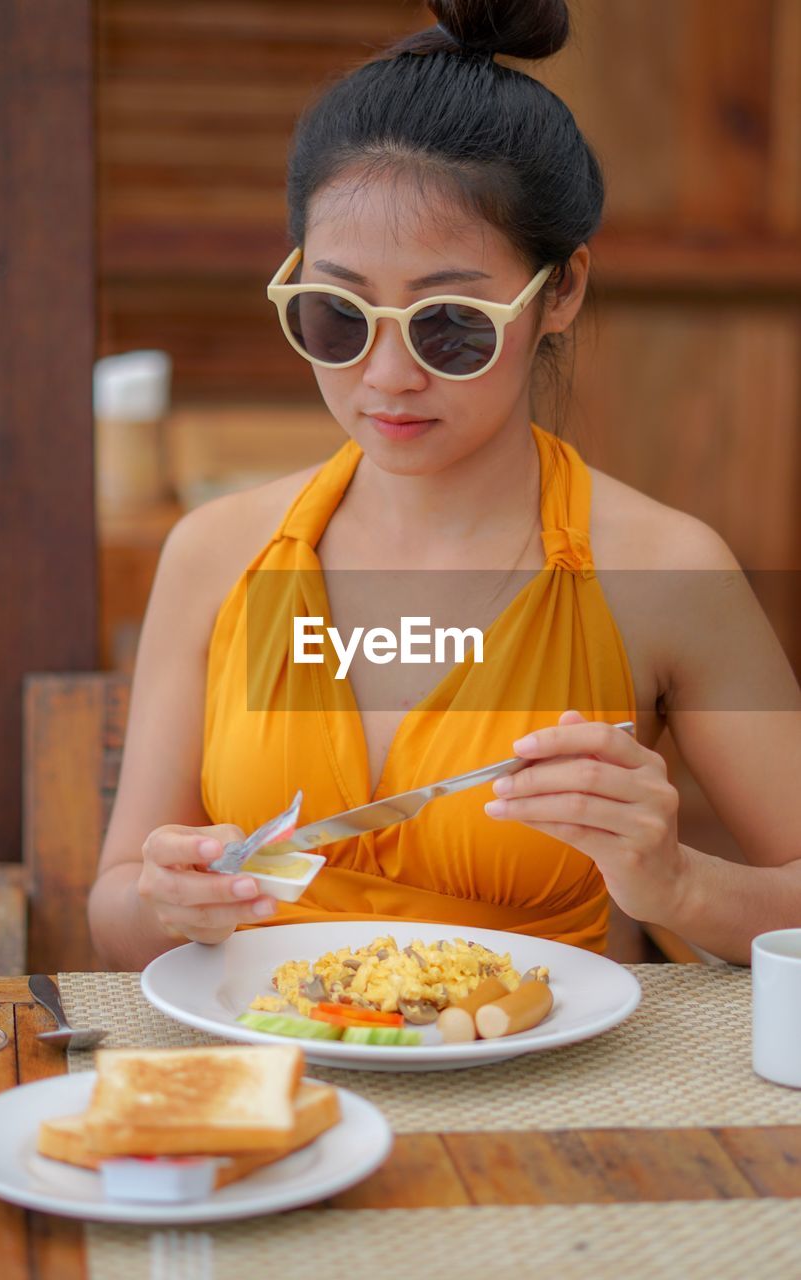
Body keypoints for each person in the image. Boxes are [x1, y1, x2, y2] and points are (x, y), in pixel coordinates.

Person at [88, 0, 800, 971]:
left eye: (449, 323)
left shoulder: (661, 569)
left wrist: (676, 881)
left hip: (551, 1099)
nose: (385, 376)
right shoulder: (217, 552)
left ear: (561, 290)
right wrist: (167, 896)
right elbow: (117, 907)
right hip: (276, 1085)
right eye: (337, 314)